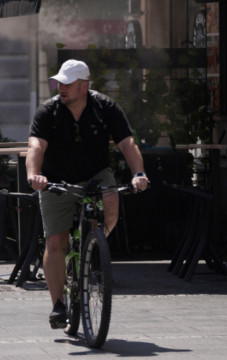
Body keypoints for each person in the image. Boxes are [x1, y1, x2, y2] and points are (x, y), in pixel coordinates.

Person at [26, 59, 149, 329]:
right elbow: (35, 145)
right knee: (55, 243)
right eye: (59, 82)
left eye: (67, 84)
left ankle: (95, 244)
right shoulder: (49, 111)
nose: (61, 87)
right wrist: (35, 174)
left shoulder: (105, 107)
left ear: (84, 86)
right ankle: (58, 304)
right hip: (56, 180)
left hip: (95, 173)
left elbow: (127, 142)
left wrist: (138, 173)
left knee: (112, 200)